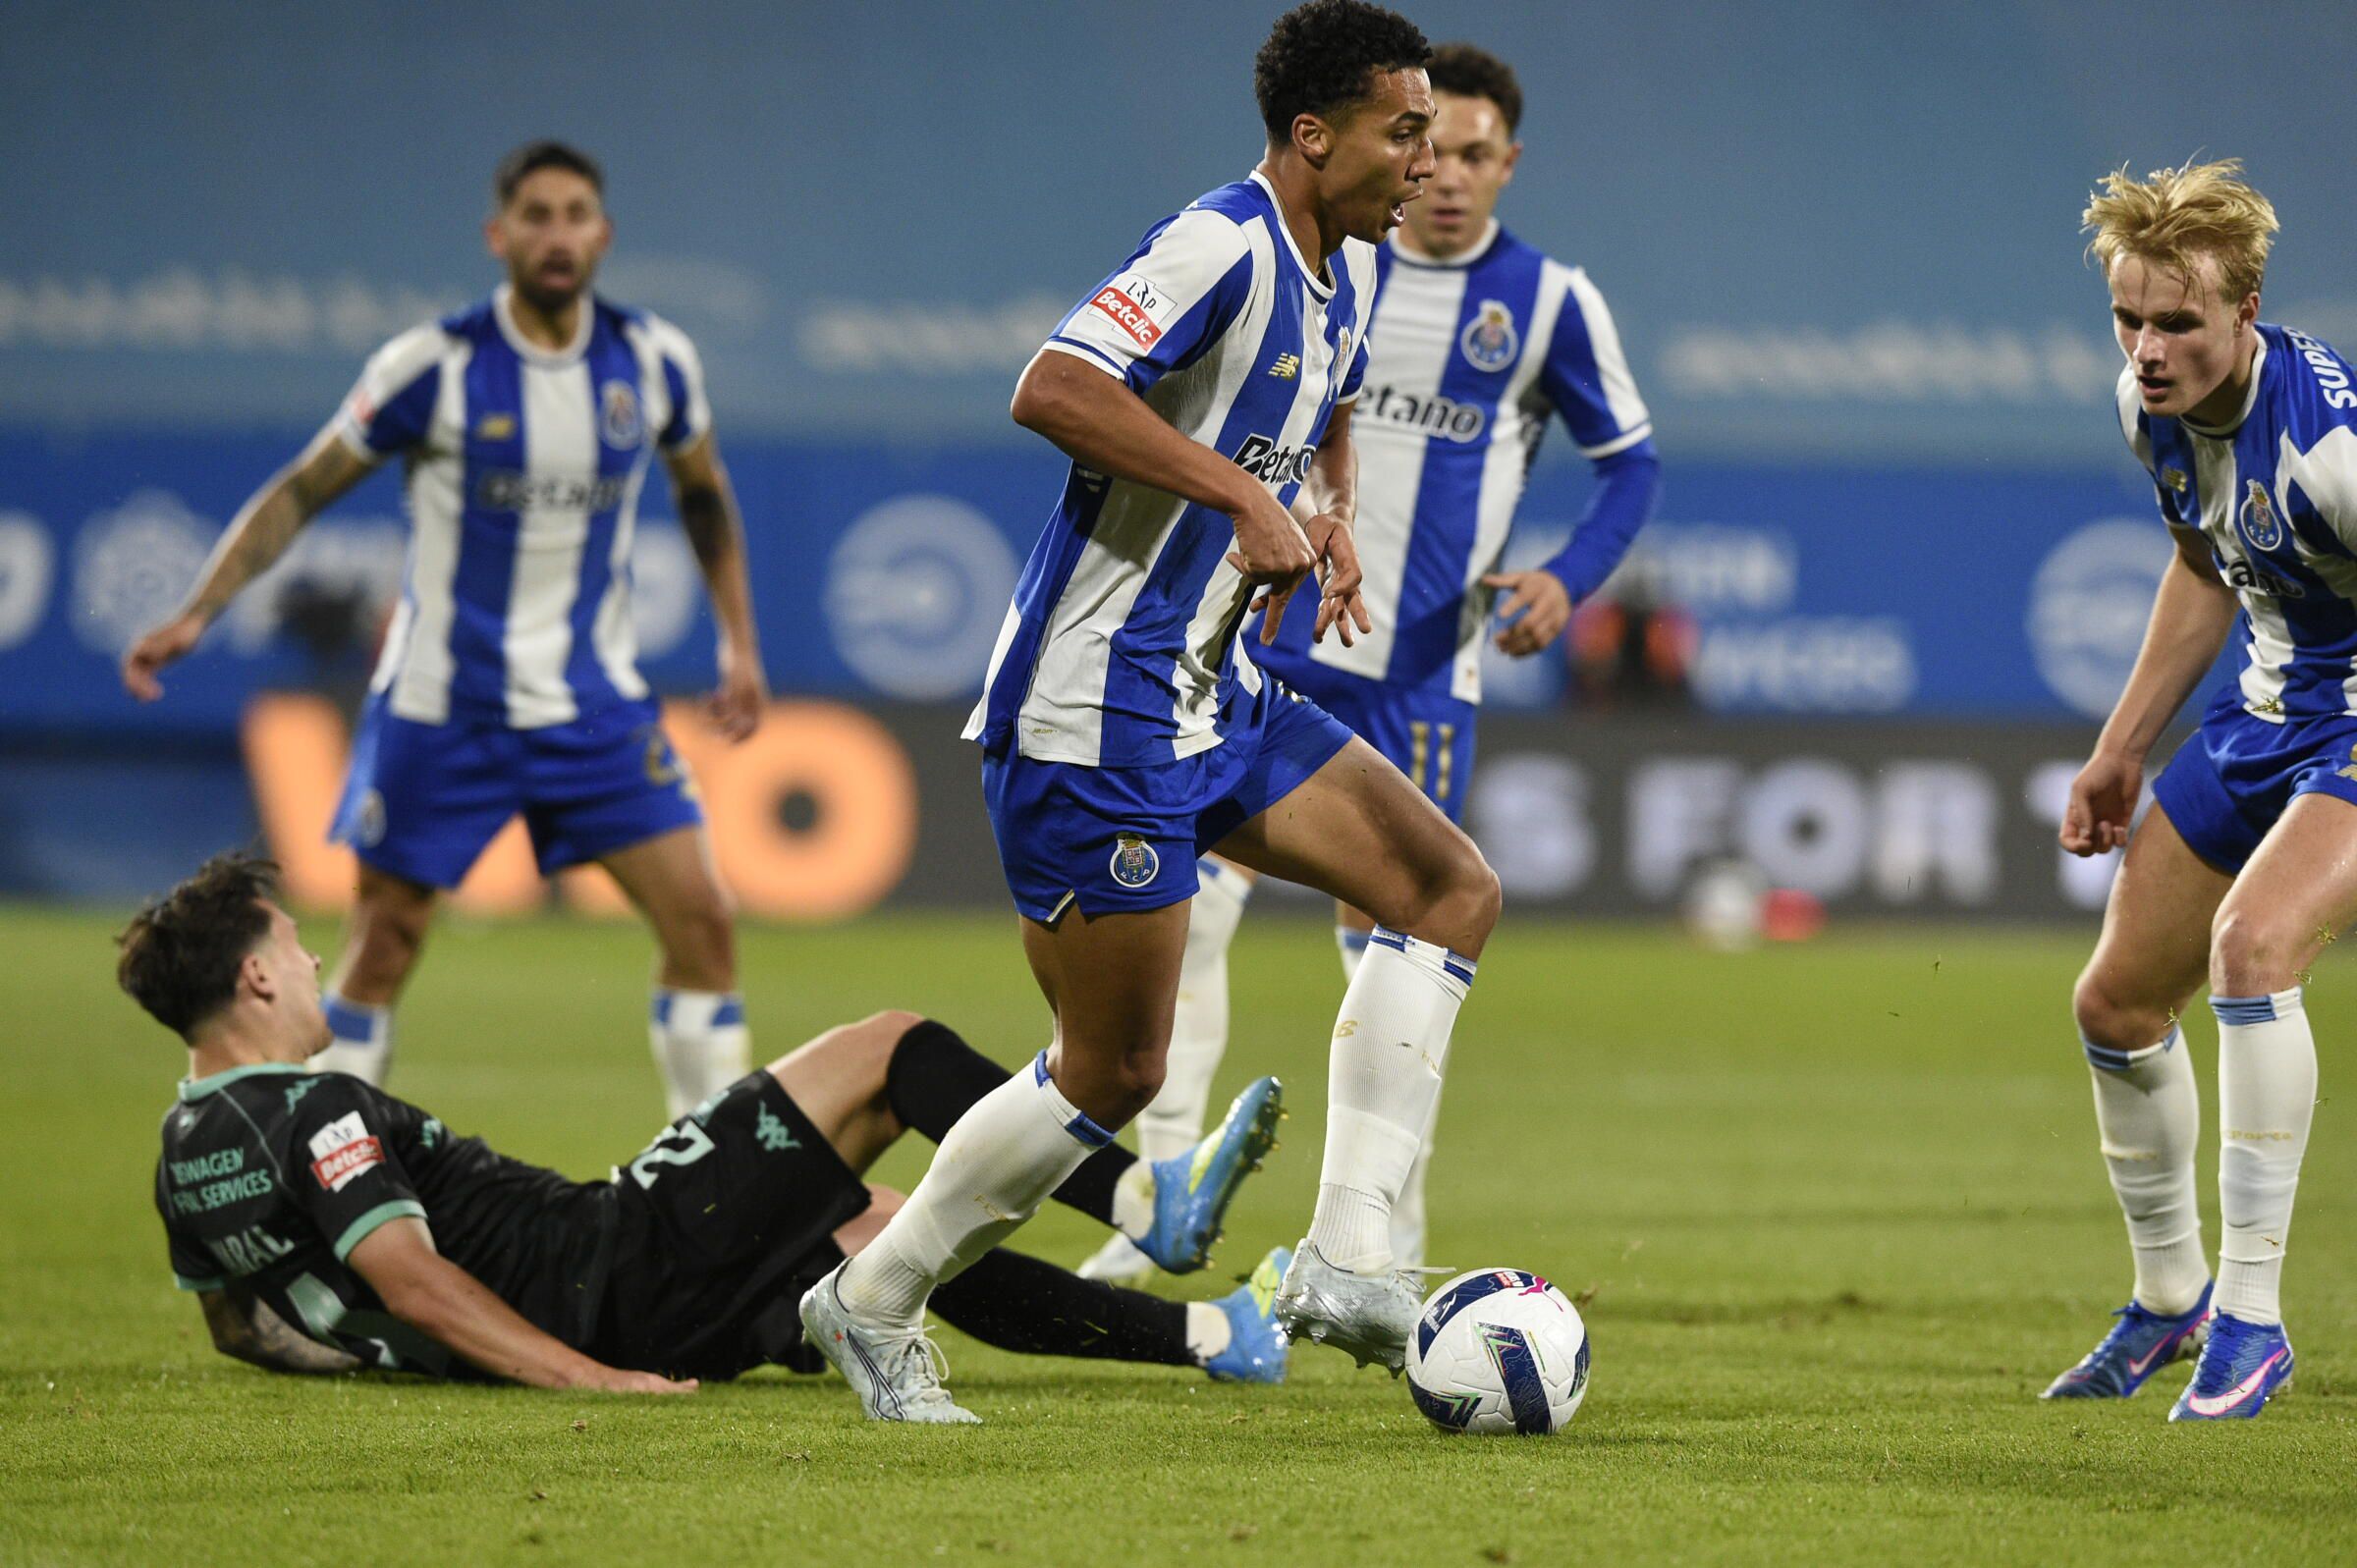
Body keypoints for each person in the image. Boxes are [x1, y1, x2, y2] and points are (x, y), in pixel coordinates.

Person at [799, 0, 1501, 1425]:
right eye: (1401, 132)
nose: (1424, 162)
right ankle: (867, 1302)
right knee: (1110, 1072)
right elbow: (1051, 384)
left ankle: (1354, 1262)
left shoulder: (1345, 271)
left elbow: (1314, 401)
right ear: (1313, 137)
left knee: (1446, 888)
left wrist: (1323, 504)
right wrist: (1243, 493)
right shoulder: (1220, 244)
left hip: (1211, 690)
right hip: (1090, 712)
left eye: (1434, 135)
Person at [1079, 40, 1662, 1286]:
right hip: (1263, 636)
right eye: (1427, 147)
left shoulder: (1551, 303)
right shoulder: (1330, 262)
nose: (1444, 176)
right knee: (1192, 917)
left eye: (1472, 154)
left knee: (1405, 945)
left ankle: (1383, 1243)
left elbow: (1634, 462)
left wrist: (1569, 574)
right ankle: (1158, 1202)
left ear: (1511, 162)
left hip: (1416, 674)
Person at [120, 141, 765, 1119]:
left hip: (592, 702)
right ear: (498, 235)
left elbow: (705, 498)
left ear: (604, 233)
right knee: (381, 945)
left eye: (575, 214)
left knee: (704, 921)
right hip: (442, 703)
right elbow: (303, 487)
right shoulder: (434, 365)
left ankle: (719, 1182)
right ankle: (316, 1188)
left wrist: (739, 644)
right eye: (536, 216)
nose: (557, 235)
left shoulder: (655, 361)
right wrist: (199, 610)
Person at [125, 852, 1289, 1392]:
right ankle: (1150, 1202)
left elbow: (244, 1326)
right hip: (609, 1262)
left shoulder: (185, 1150)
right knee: (889, 1047)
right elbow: (412, 1277)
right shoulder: (312, 1107)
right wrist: (586, 1379)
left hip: (624, 1296)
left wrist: (394, 1366)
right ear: (256, 981)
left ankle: (1212, 1339)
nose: (313, 952)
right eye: (289, 942)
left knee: (883, 1240)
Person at [2047, 159, 2355, 1421]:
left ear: (2247, 311)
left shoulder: (2331, 452)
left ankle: (2255, 1320)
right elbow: (2203, 566)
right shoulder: (2147, 406)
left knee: (2252, 947)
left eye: (2178, 320)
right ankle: (2172, 1294)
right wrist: (2123, 745)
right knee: (2117, 1002)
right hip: (2265, 706)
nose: (2149, 346)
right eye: (2131, 316)